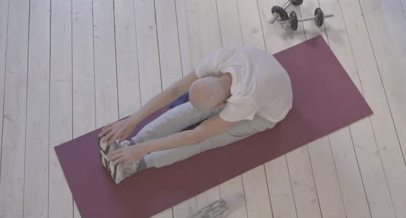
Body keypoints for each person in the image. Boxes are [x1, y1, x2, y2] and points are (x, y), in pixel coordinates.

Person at [99, 46, 293, 184]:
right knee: (189, 109)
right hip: (261, 74)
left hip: (266, 112)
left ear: (221, 105)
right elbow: (175, 91)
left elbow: (196, 137)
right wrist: (134, 118)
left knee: (208, 139)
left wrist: (146, 149)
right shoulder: (222, 58)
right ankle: (130, 146)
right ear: (208, 77)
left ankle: (136, 164)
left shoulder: (245, 100)